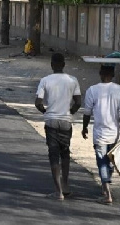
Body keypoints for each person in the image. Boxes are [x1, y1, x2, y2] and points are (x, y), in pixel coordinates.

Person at [35, 53, 82, 200]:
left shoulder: (45, 80)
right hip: (66, 121)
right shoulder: (72, 80)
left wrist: (45, 111)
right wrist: (70, 112)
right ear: (63, 64)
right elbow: (78, 102)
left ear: (51, 65)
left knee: (53, 154)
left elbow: (38, 102)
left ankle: (58, 191)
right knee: (65, 153)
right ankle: (66, 185)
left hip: (51, 121)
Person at [82, 64, 120, 205]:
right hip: (114, 134)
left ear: (100, 74)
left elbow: (87, 112)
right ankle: (105, 185)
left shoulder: (92, 90)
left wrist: (84, 127)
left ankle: (107, 193)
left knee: (102, 162)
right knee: (110, 162)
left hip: (100, 135)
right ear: (113, 75)